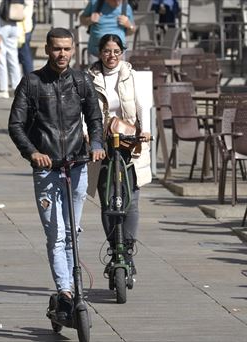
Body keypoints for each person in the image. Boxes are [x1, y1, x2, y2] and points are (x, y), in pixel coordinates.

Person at [8, 27, 106, 321]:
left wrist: (97, 144)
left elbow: (94, 116)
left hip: (77, 165)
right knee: (56, 235)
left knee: (71, 231)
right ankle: (65, 290)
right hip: (47, 170)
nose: (61, 54)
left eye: (66, 49)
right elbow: (15, 125)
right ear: (47, 50)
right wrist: (33, 153)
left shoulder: (81, 81)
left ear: (73, 49)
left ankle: (73, 287)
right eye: (56, 49)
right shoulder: (32, 82)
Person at [86, 34, 152, 275]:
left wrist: (144, 131)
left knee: (131, 200)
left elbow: (143, 105)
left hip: (129, 143)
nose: (111, 56)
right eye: (106, 51)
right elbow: (86, 110)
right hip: (102, 144)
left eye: (116, 51)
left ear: (123, 52)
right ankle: (115, 247)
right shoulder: (89, 77)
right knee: (107, 200)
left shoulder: (132, 76)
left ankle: (128, 249)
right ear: (99, 52)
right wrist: (88, 135)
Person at [80, 0, 135, 65]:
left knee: (118, 74)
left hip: (117, 54)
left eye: (119, 0)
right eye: (114, 0)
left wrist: (129, 25)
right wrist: (90, 19)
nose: (117, 2)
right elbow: (82, 19)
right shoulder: (95, 3)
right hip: (96, 53)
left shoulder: (126, 7)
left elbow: (131, 31)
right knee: (93, 74)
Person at [0, 0, 26, 99]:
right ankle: (17, 87)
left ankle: (3, 89)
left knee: (1, 57)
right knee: (13, 57)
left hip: (2, 22)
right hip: (14, 23)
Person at [17, 0, 34, 75]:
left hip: (22, 28)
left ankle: (29, 81)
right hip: (24, 27)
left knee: (24, 55)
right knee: (24, 56)